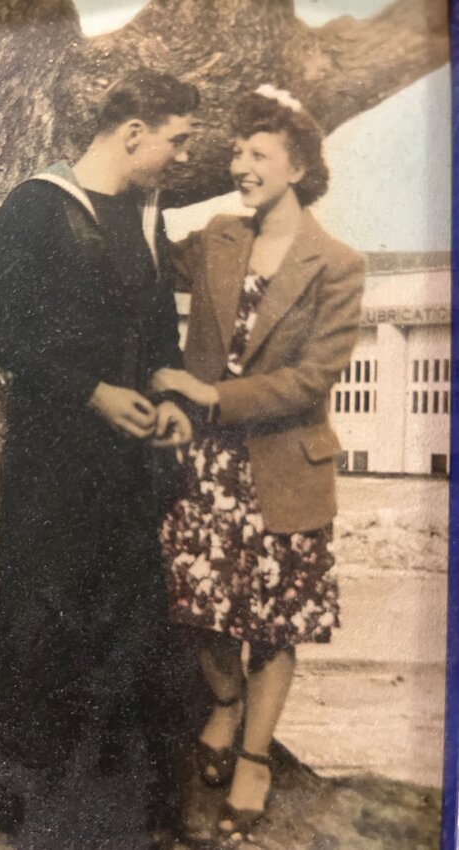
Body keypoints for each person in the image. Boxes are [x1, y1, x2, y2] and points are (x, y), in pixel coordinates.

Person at [0, 69, 199, 850]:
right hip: (52, 467)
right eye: (176, 140)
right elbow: (0, 335)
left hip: (129, 473)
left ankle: (115, 818)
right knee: (45, 630)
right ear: (133, 130)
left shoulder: (146, 217)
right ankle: (39, 816)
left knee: (125, 630)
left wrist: (168, 395)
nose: (180, 157)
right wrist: (93, 393)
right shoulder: (35, 207)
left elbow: (158, 338)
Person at [152, 86, 365, 844]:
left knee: (274, 623)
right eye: (236, 153)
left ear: (298, 165)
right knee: (202, 606)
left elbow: (312, 380)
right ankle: (224, 702)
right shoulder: (216, 236)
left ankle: (253, 758)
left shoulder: (337, 264)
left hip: (284, 466)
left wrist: (209, 393)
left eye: (257, 154)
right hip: (206, 466)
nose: (239, 165)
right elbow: (141, 257)